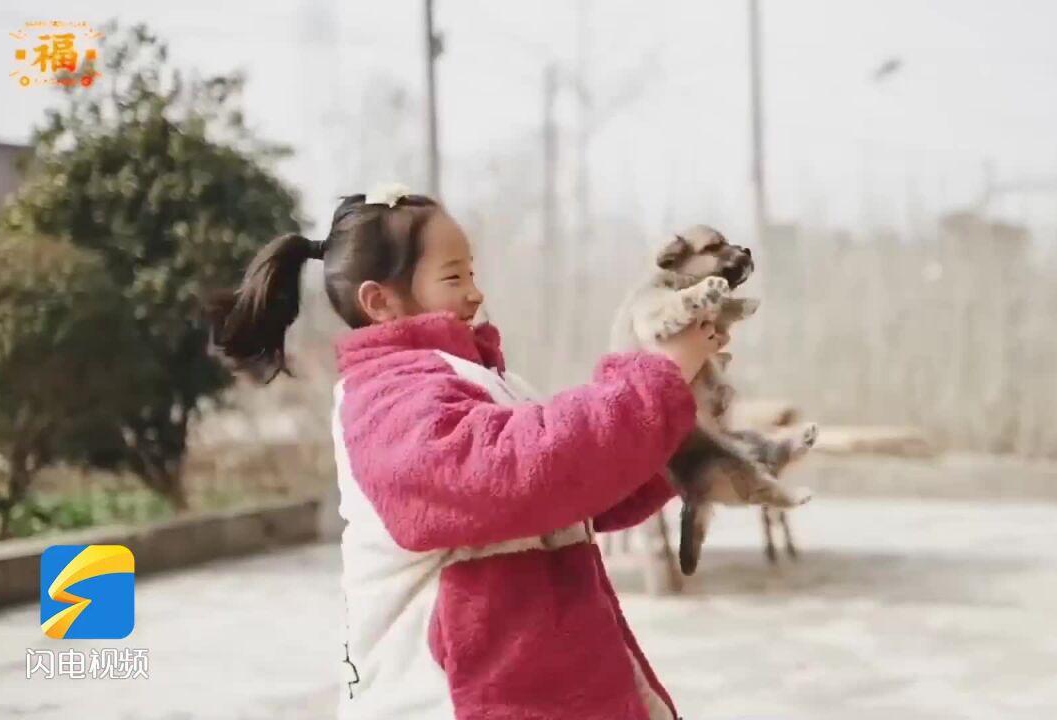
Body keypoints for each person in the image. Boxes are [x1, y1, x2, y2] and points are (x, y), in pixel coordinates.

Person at [205, 184, 725, 720]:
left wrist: (680, 411)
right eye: (454, 277)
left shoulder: (483, 380)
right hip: (453, 698)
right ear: (380, 301)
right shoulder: (386, 400)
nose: (475, 293)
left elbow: (577, 491)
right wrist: (657, 377)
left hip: (546, 686)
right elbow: (522, 472)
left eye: (471, 273)